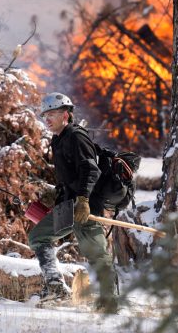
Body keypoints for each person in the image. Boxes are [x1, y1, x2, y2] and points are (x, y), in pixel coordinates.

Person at [28, 92, 121, 313]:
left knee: (96, 252)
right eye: (45, 115)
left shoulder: (76, 136)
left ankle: (109, 301)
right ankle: (55, 287)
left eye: (53, 114)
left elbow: (90, 170)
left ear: (66, 115)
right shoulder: (58, 138)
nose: (47, 119)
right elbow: (68, 175)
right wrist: (54, 198)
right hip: (68, 204)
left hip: (85, 204)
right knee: (38, 236)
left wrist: (83, 200)